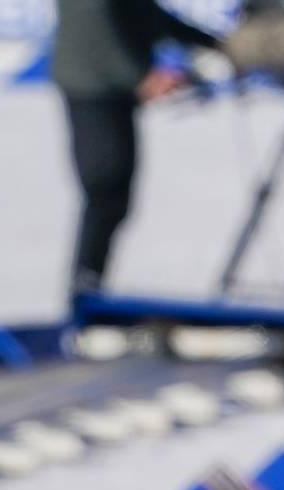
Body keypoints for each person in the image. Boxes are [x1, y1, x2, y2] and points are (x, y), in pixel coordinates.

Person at [51, 0, 223, 297]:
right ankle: (84, 288)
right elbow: (92, 17)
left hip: (111, 89)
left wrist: (216, 44)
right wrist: (141, 76)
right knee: (105, 186)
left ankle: (91, 286)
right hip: (92, 87)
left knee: (116, 197)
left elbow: (142, 11)